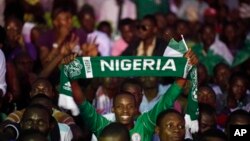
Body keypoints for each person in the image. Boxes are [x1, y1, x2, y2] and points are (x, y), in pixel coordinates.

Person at [69, 50, 198, 141]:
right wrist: (72, 76)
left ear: (136, 106)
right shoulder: (103, 125)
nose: (125, 110)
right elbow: (83, 104)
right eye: (120, 106)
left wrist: (184, 69)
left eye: (130, 106)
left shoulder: (145, 124)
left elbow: (167, 100)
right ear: (113, 109)